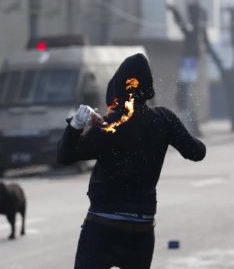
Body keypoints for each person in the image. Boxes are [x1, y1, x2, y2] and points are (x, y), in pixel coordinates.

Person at [57, 53, 206, 269]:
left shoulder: (109, 125)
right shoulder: (163, 120)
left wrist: (76, 126)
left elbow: (65, 156)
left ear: (117, 87)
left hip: (102, 227)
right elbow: (197, 152)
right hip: (141, 230)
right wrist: (178, 128)